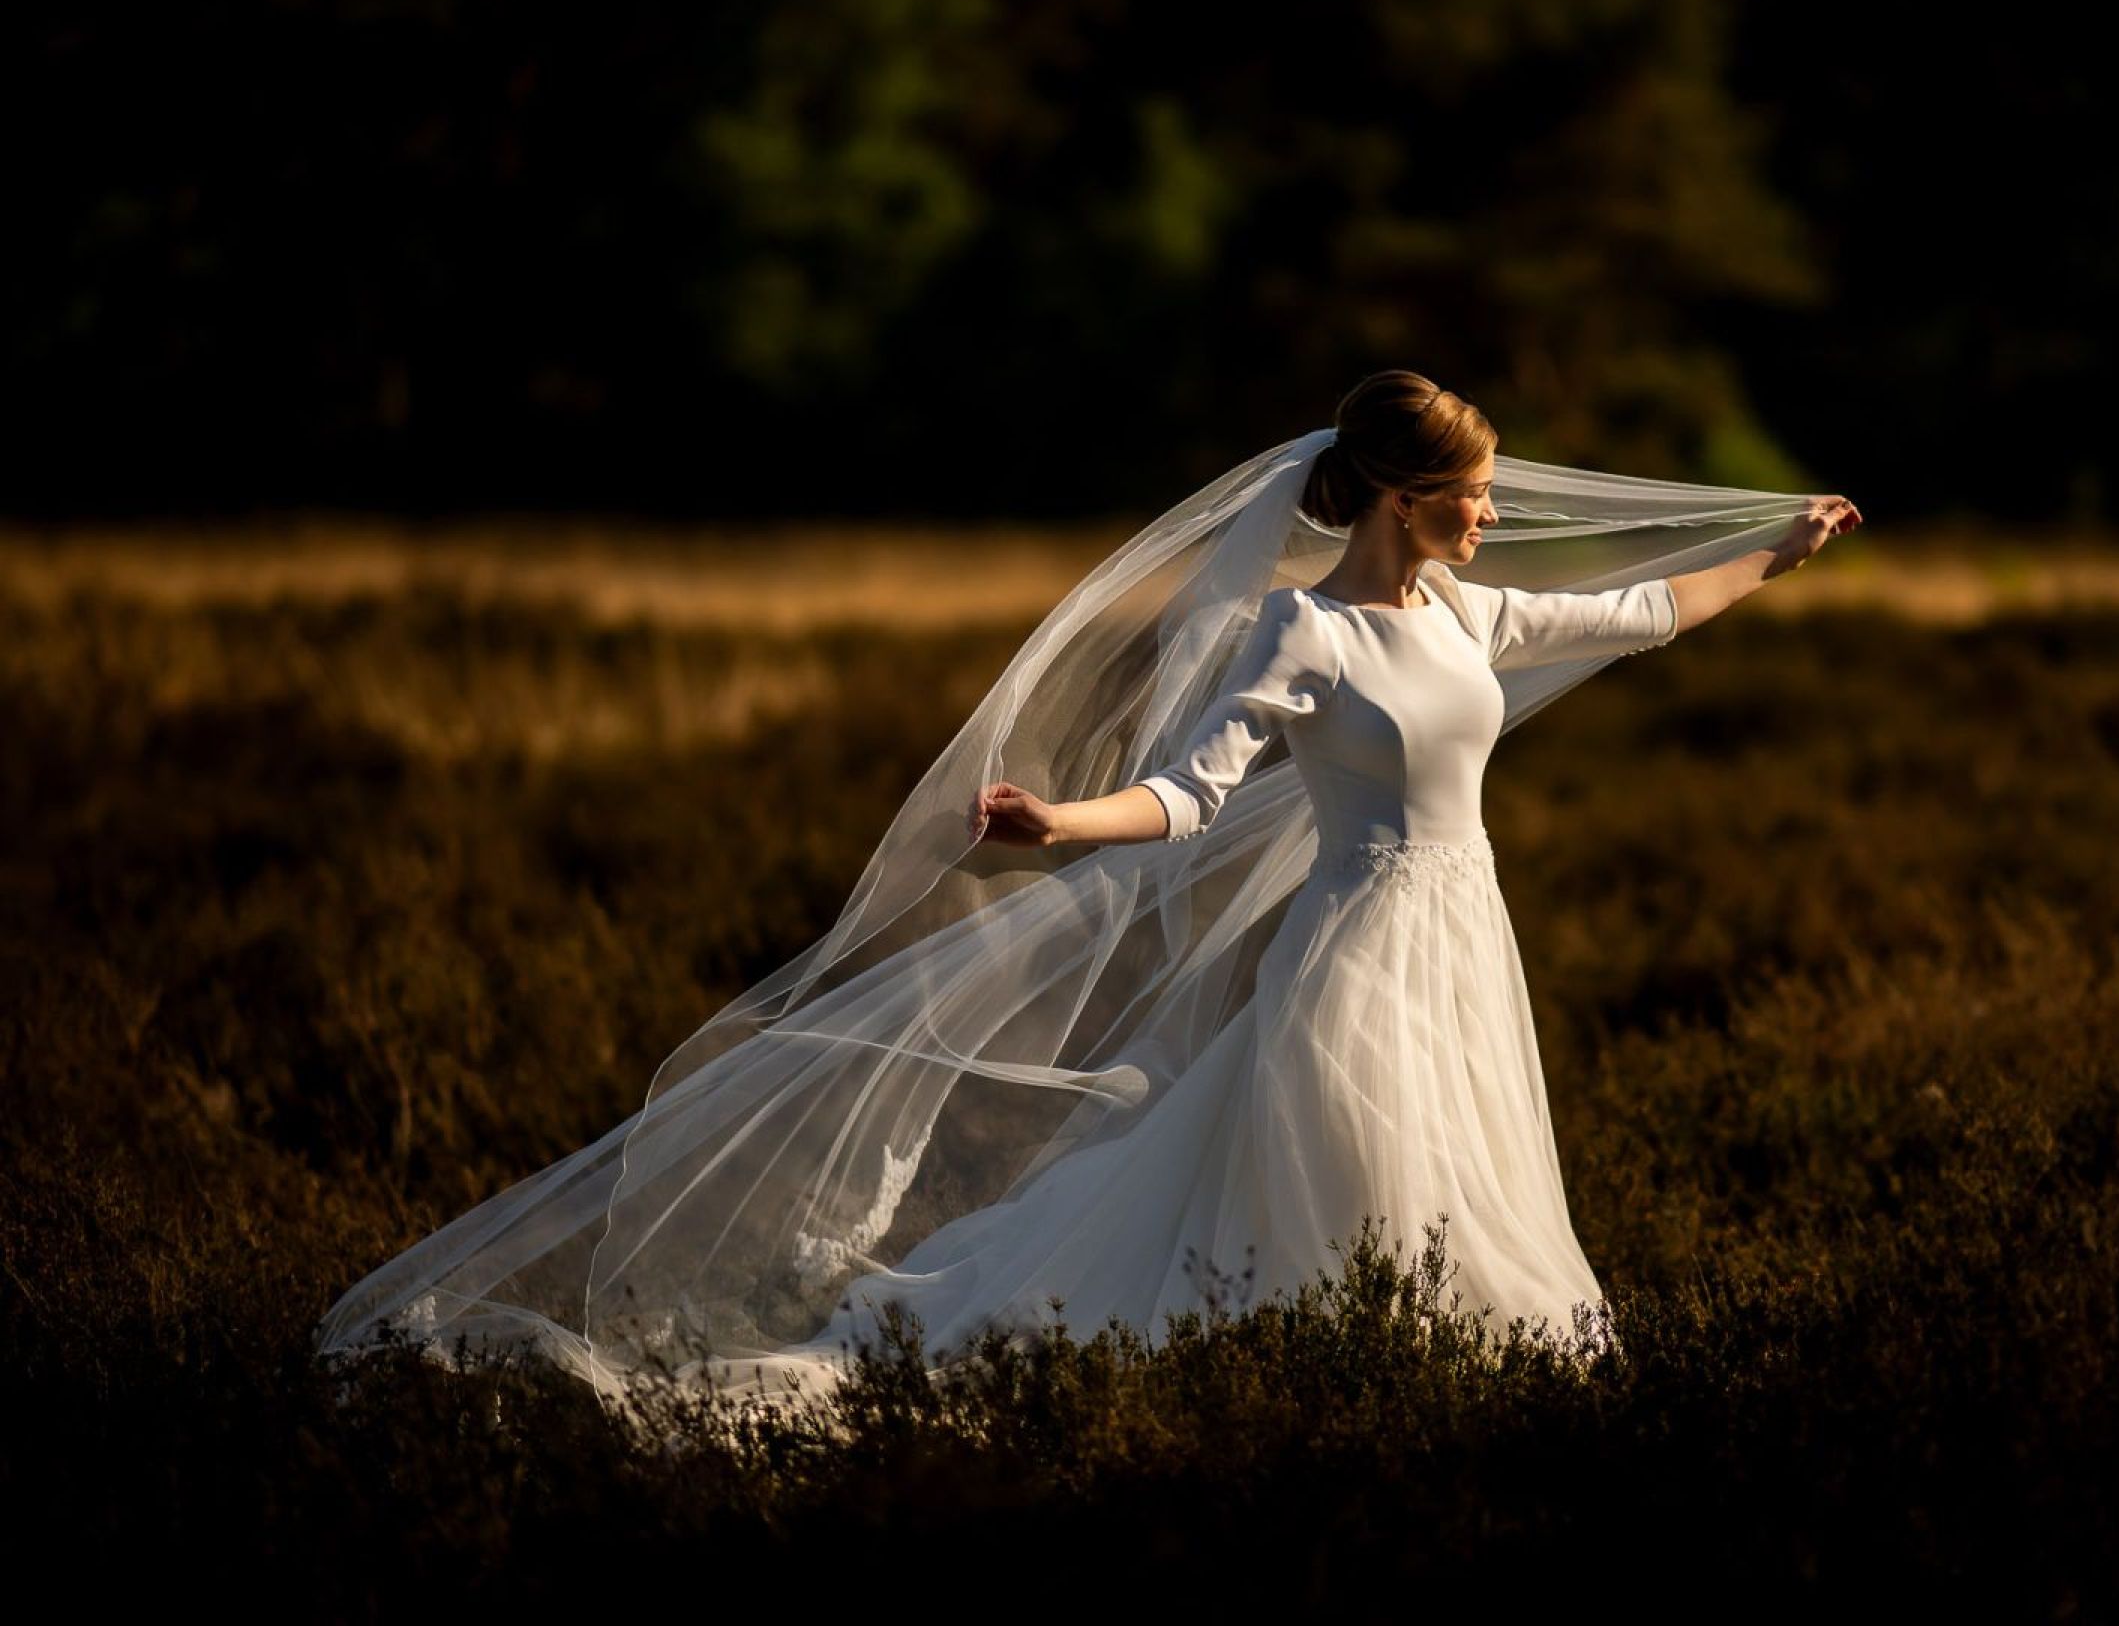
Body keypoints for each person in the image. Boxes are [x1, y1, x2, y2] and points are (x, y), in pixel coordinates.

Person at [312, 370, 1857, 1430]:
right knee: (1353, 1185)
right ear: (1396, 495)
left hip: (1467, 941)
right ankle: (1325, 1399)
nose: (1492, 515)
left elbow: (1637, 610)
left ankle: (1418, 1399)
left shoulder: (1459, 605)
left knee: (1467, 1176)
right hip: (1361, 948)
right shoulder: (1295, 637)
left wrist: (1780, 550)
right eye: (1470, 494)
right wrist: (1056, 820)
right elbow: (1189, 794)